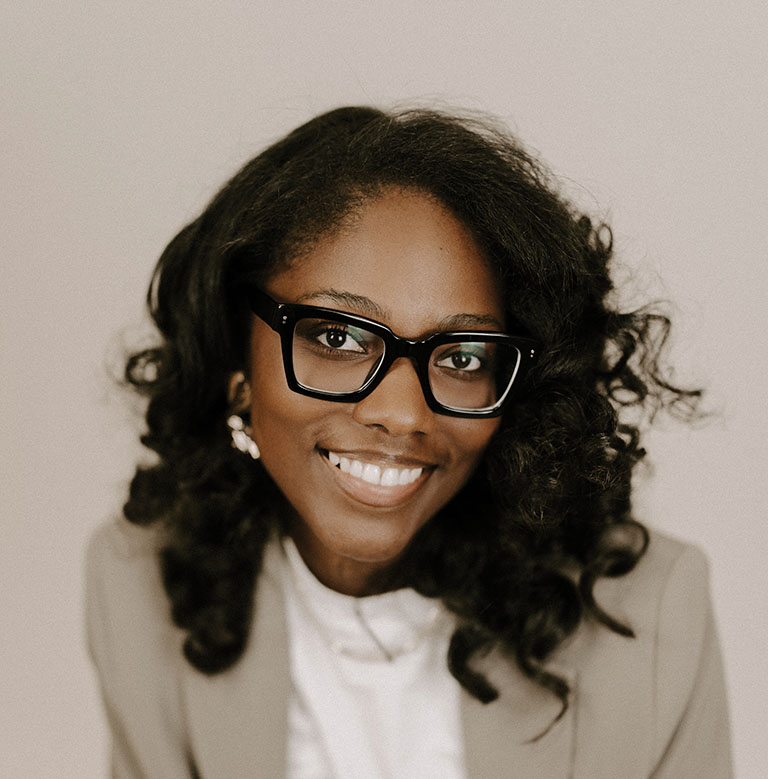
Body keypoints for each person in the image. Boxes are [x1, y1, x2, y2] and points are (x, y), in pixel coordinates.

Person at [86, 106, 732, 778]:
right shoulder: (135, 583)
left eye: (463, 356)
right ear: (237, 366)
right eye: (336, 337)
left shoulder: (652, 614)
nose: (401, 414)